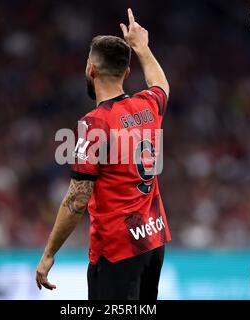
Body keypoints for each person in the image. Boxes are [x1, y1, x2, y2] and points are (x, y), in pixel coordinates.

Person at [36, 8, 171, 300]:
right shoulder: (147, 105)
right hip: (152, 241)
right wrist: (142, 47)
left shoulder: (95, 123)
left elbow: (77, 199)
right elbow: (161, 85)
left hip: (118, 250)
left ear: (91, 70)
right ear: (127, 72)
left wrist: (49, 253)